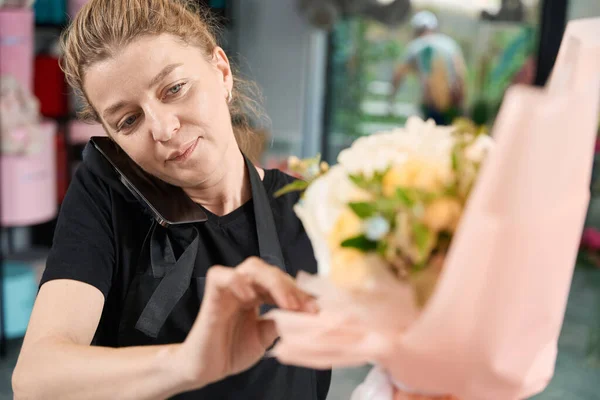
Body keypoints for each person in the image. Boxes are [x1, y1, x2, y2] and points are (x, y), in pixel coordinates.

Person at [11, 0, 331, 399]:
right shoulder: (107, 196)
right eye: (129, 121)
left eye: (175, 89)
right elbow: (35, 380)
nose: (163, 128)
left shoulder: (314, 208)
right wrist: (188, 363)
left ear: (221, 71)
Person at [389, 11, 467, 126]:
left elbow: (398, 74)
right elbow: (460, 73)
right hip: (453, 101)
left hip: (431, 103)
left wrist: (391, 97)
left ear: (416, 30)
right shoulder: (450, 44)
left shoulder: (416, 46)